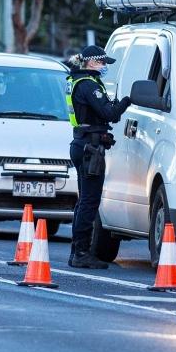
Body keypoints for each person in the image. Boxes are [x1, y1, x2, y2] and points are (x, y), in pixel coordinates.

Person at [65, 44, 132, 269]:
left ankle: (77, 251)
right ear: (92, 62)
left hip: (82, 143)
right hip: (89, 148)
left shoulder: (77, 80)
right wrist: (126, 101)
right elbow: (109, 114)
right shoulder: (87, 85)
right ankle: (81, 252)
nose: (105, 67)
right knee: (89, 201)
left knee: (84, 200)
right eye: (103, 62)